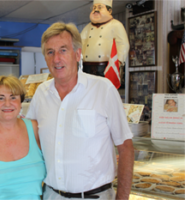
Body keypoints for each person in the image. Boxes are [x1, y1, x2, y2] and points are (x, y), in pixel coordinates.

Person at [26, 22, 134, 200]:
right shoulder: (41, 94)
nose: (56, 59)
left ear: (77, 54)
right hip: (51, 195)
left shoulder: (103, 89)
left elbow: (126, 148)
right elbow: (30, 141)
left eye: (63, 50)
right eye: (50, 52)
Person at [80, 0, 129, 80]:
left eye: (100, 7)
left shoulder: (116, 25)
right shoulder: (88, 27)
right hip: (87, 67)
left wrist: (119, 62)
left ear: (109, 11)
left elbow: (123, 44)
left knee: (105, 90)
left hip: (107, 66)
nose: (96, 10)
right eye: (94, 8)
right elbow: (80, 43)